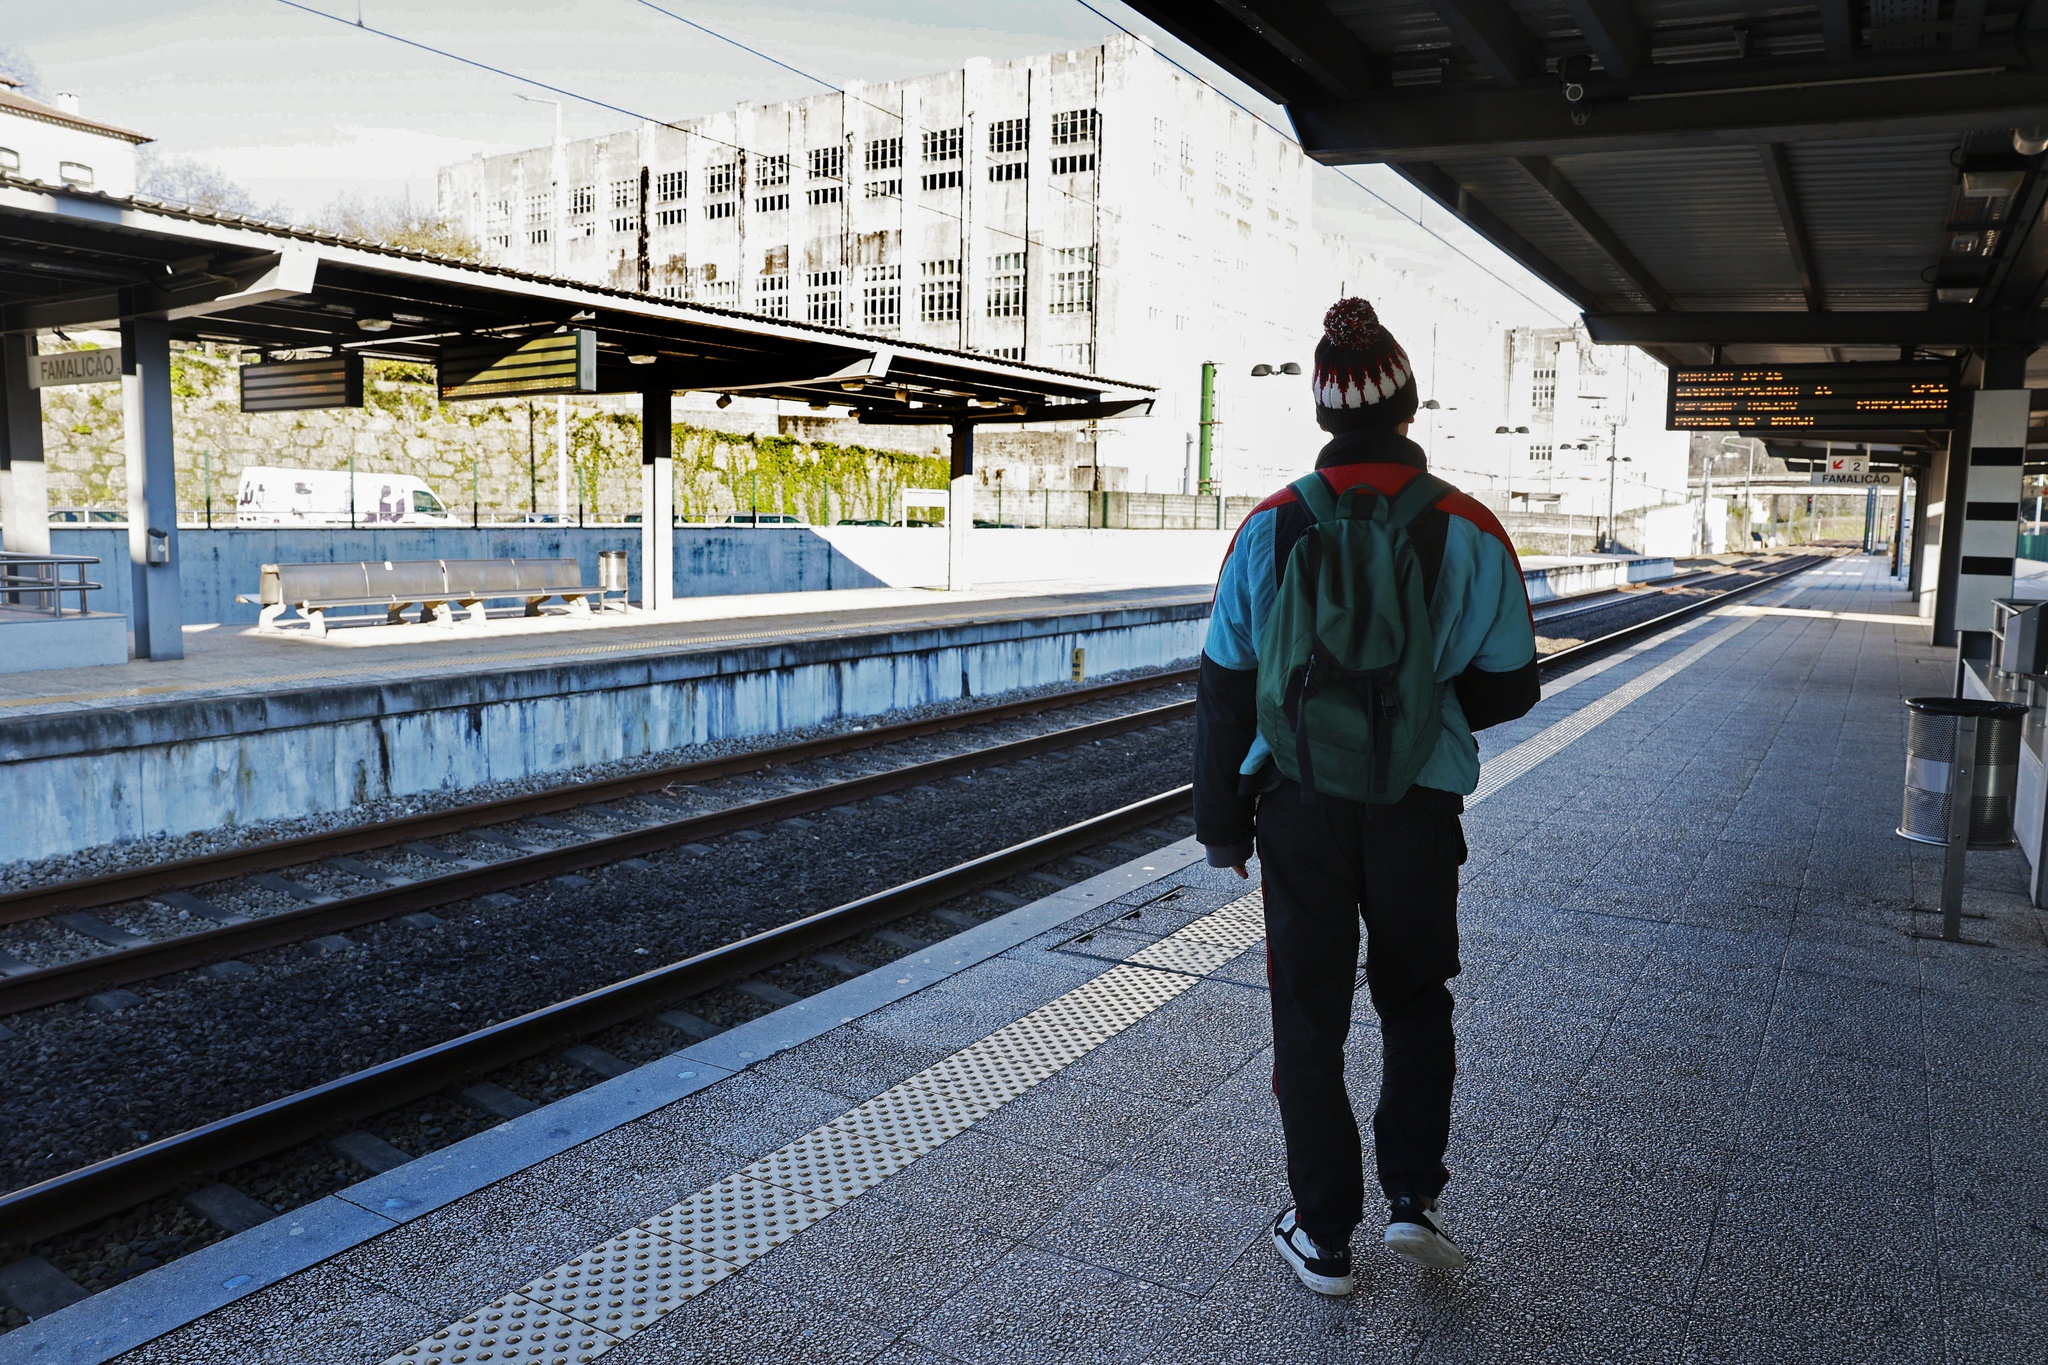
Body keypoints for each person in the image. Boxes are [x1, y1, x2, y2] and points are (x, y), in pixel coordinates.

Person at [1193, 297, 1538, 1297]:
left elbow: (1223, 686)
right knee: (1414, 998)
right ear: (1406, 404)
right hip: (1415, 809)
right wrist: (1421, 710)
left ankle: (1323, 1236)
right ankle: (1410, 1202)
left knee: (1306, 1017)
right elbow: (1513, 681)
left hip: (1296, 804)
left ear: (1323, 414)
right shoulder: (1466, 526)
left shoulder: (1265, 524)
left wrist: (1220, 824)